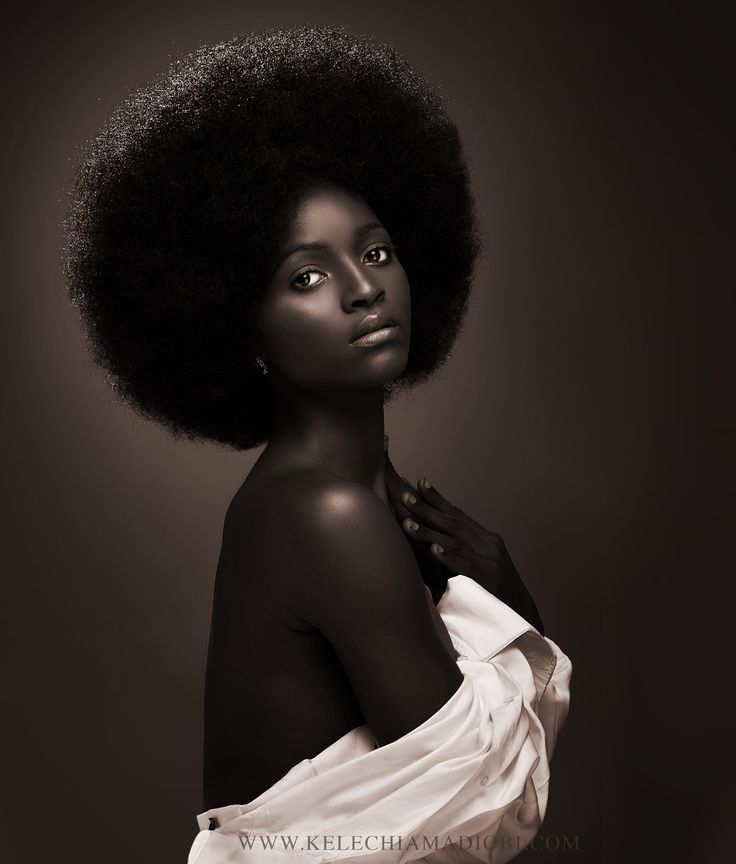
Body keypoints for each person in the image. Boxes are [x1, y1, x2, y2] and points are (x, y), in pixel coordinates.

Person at [62, 24, 572, 863]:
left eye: (376, 251)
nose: (364, 288)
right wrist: (512, 608)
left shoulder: (361, 497)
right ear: (240, 328)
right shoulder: (323, 512)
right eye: (307, 276)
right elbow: (486, 808)